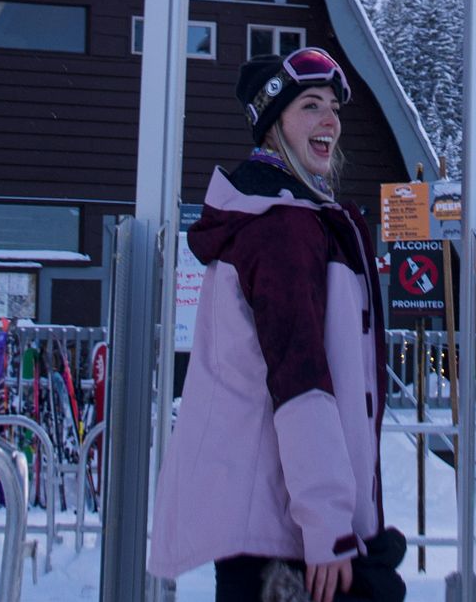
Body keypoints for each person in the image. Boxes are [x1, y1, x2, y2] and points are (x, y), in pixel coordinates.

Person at [148, 47, 407, 602]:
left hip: (278, 526)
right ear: (272, 125)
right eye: (310, 105)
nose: (330, 119)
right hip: (289, 537)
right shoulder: (281, 229)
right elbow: (300, 381)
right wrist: (328, 524)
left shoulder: (289, 217)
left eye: (333, 106)